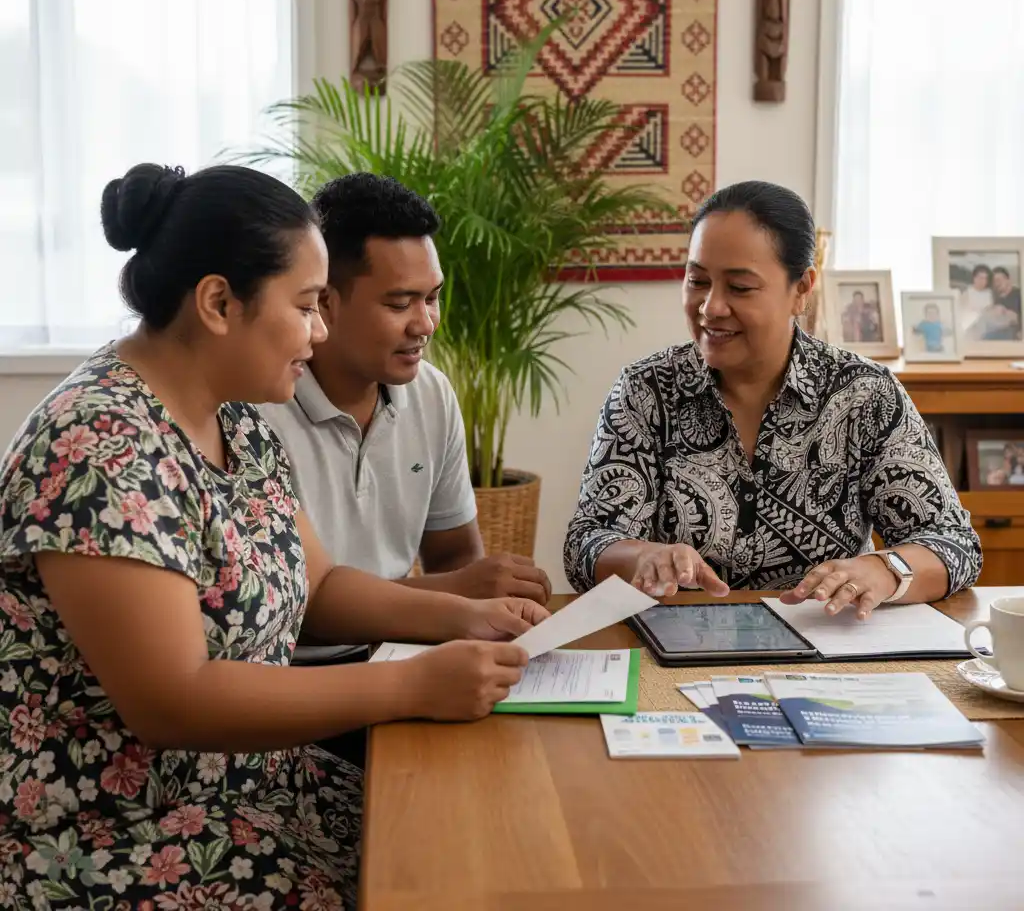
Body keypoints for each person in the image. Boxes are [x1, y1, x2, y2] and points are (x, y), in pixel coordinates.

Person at [0, 163, 547, 908]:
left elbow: (319, 584)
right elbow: (175, 700)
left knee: (477, 839)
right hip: (118, 830)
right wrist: (412, 683)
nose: (320, 332)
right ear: (219, 303)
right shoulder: (100, 445)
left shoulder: (235, 419)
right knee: (432, 881)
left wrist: (465, 617)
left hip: (254, 780)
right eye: (308, 306)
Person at [564, 180, 981, 620]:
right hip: (676, 640)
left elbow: (952, 542)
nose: (711, 307)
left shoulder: (865, 393)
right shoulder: (646, 389)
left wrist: (883, 569)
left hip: (826, 641)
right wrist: (642, 557)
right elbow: (586, 543)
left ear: (802, 289)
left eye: (740, 287)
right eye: (697, 281)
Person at [260, 173, 551, 674]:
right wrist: (452, 594)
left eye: (431, 297)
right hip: (293, 675)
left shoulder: (431, 394)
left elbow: (455, 554)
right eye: (399, 304)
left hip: (405, 655)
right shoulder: (257, 409)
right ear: (324, 301)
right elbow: (283, 608)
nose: (425, 324)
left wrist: (484, 599)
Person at [980, 265, 1022, 341]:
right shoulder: (997, 300)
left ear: (1008, 280)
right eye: (994, 281)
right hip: (1000, 334)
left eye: (999, 280)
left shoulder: (1019, 295)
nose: (996, 283)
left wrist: (1010, 315)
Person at [957, 263, 992, 336]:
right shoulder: (967, 292)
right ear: (974, 278)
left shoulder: (989, 293)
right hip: (969, 324)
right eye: (980, 278)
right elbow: (962, 310)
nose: (983, 281)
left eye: (985, 278)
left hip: (985, 324)